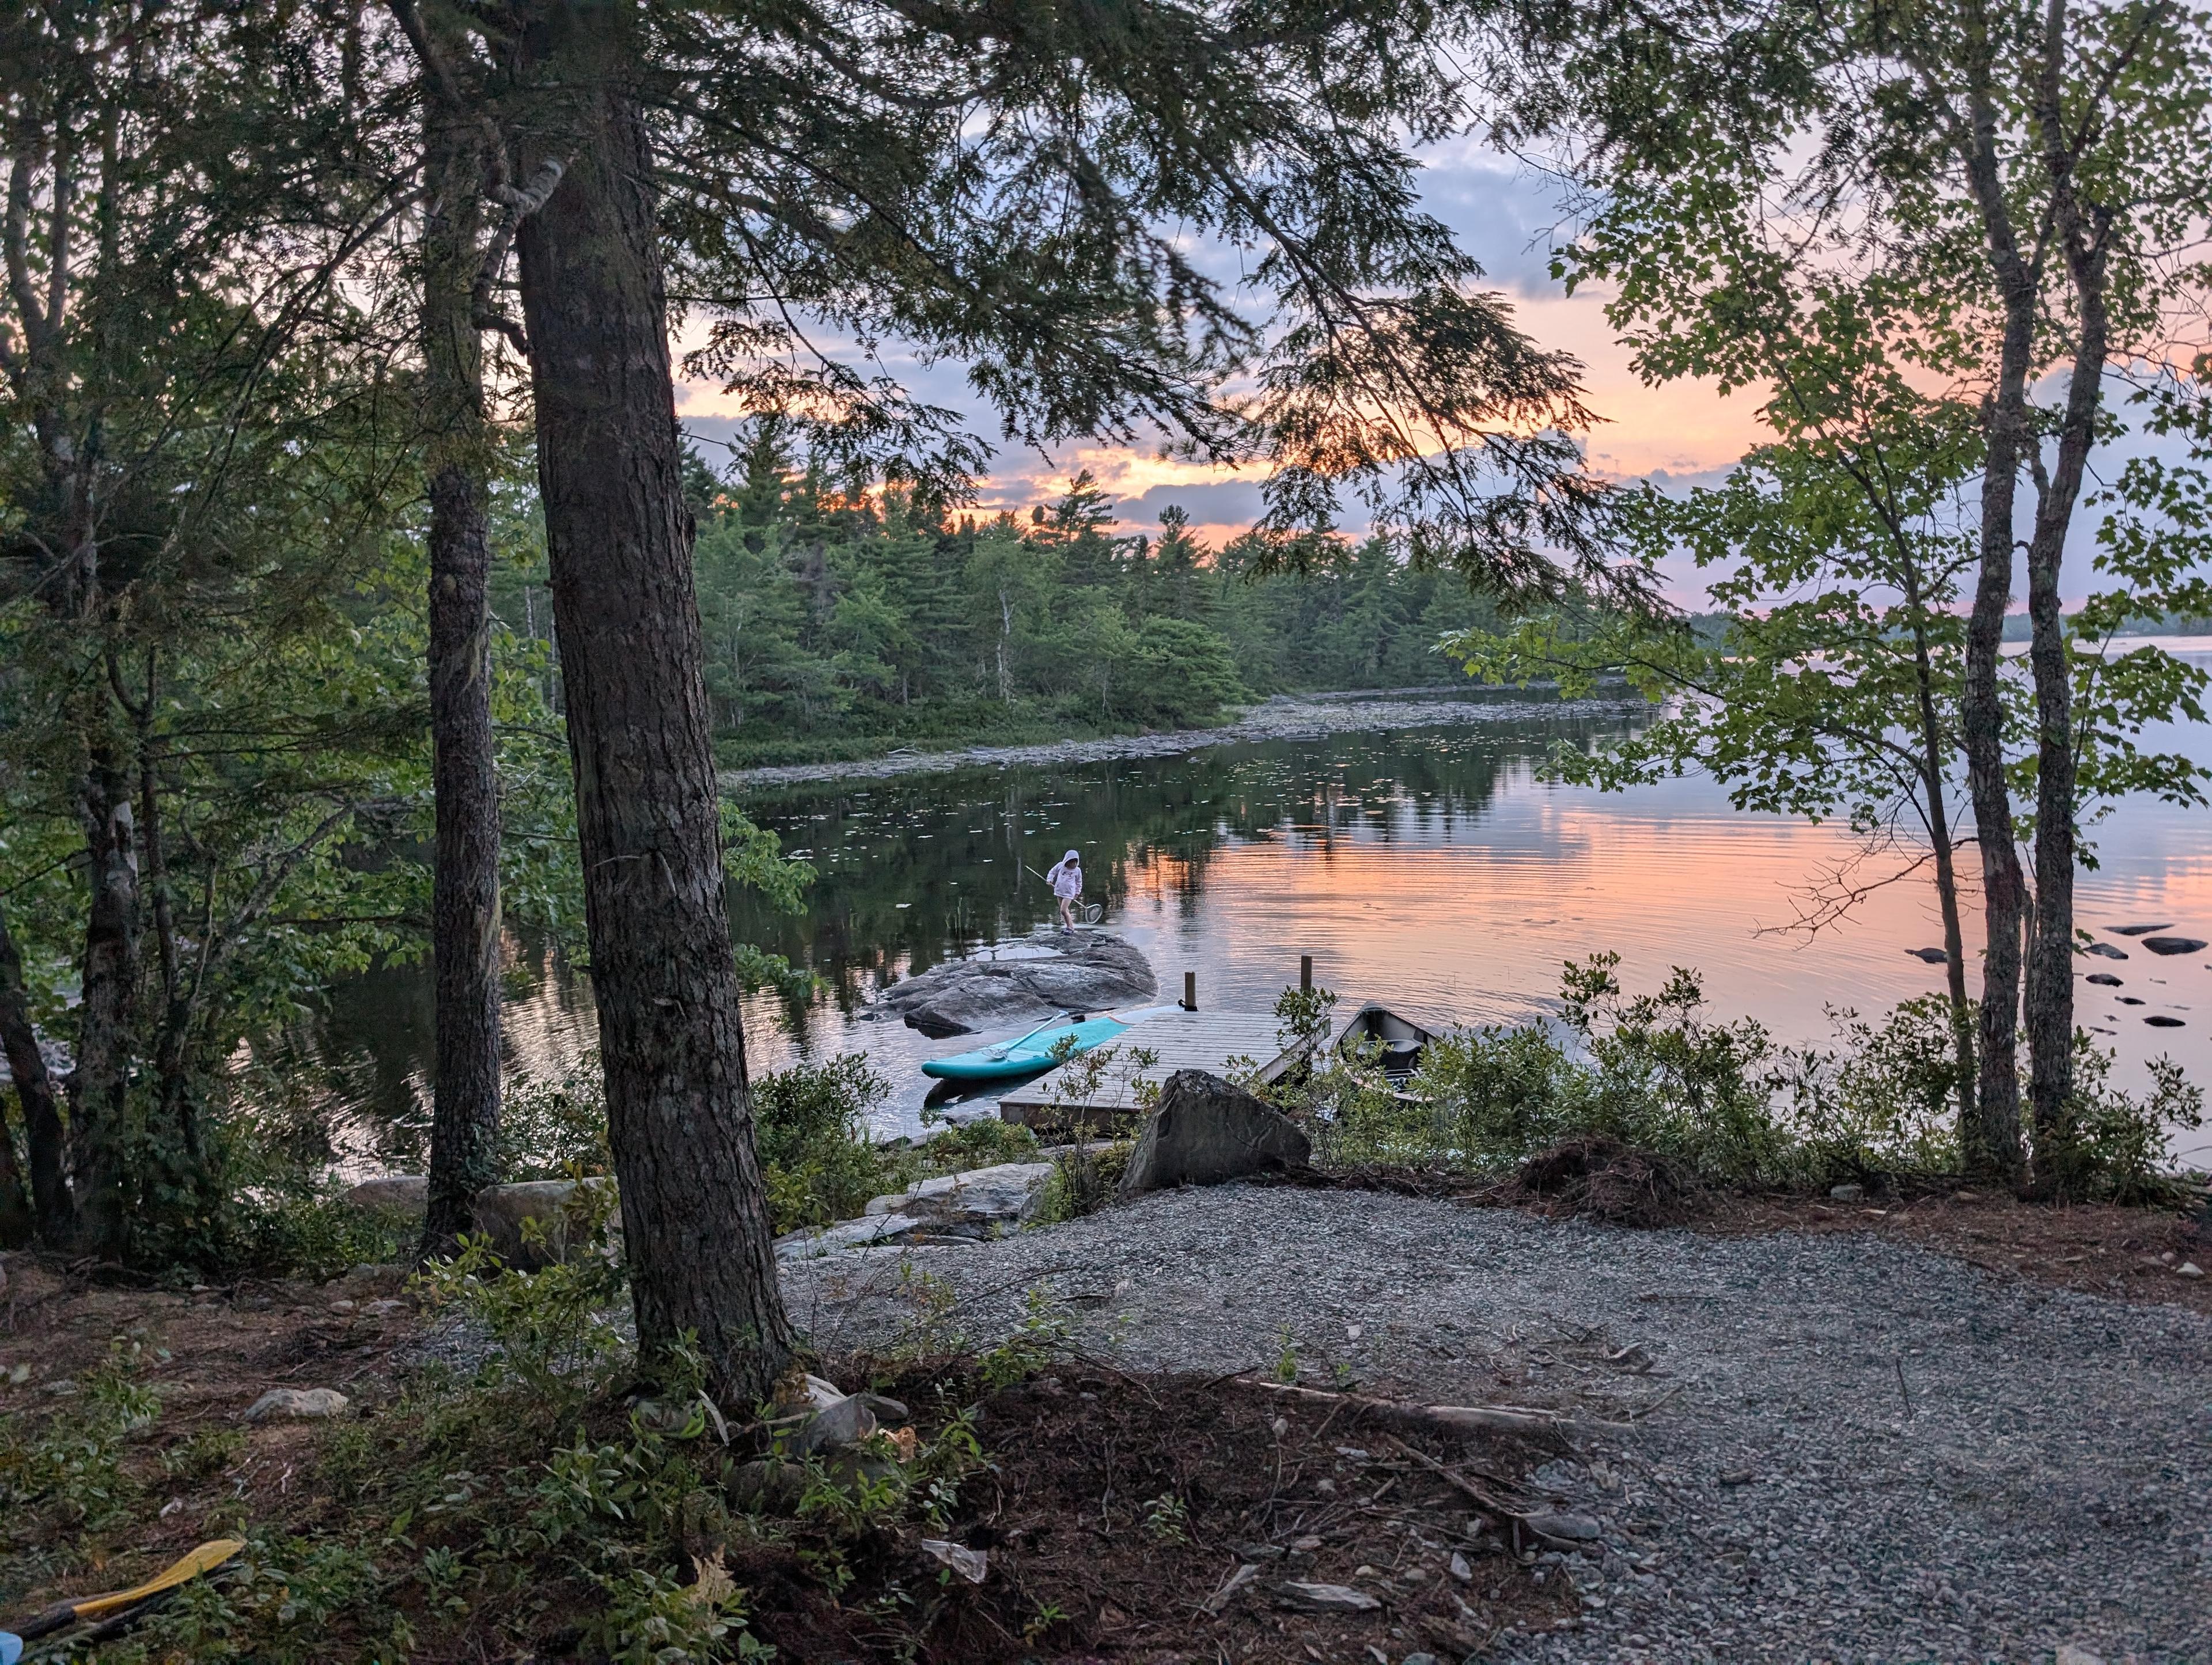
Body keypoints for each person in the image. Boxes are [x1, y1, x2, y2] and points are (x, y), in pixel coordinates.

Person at [1046, 848, 1084, 931]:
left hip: (1069, 894)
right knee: (1065, 911)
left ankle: (1070, 928)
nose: (1074, 864)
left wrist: (1077, 893)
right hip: (1059, 891)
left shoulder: (1077, 871)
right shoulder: (1060, 866)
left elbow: (1079, 882)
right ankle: (1070, 927)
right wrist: (1050, 879)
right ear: (1067, 861)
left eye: (1075, 862)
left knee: (1063, 911)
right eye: (1072, 862)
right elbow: (1052, 872)